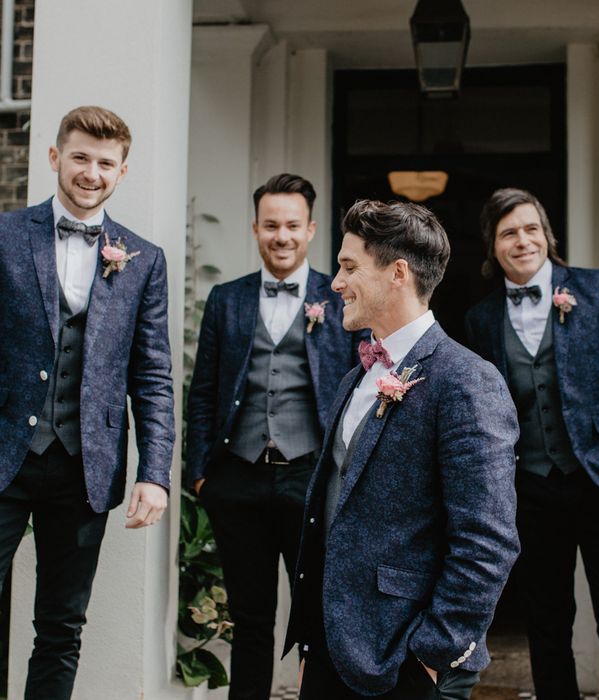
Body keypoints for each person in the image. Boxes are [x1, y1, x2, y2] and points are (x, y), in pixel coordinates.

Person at [284, 199, 519, 700]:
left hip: (405, 661)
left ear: (397, 273)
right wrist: (312, 645)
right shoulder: (358, 375)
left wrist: (431, 656)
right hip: (335, 650)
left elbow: (487, 540)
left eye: (349, 267)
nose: (335, 282)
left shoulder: (467, 381)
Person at [0, 105, 174, 700]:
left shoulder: (143, 258)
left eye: (105, 162)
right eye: (80, 157)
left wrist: (155, 474)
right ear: (55, 158)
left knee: (61, 624)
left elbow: (153, 374)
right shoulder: (4, 235)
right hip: (4, 454)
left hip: (84, 464)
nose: (90, 172)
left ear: (122, 171)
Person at [465, 188, 599, 699]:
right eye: (508, 233)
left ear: (547, 235)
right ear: (493, 247)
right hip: (530, 493)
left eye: (531, 229)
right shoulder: (480, 320)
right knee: (547, 627)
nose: (522, 241)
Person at [186, 173, 362, 700]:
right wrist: (199, 475)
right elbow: (204, 391)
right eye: (270, 226)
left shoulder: (340, 296)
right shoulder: (226, 299)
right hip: (237, 480)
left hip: (311, 478)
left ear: (310, 229)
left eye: (291, 225)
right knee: (251, 618)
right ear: (255, 229)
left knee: (317, 617)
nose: (280, 236)